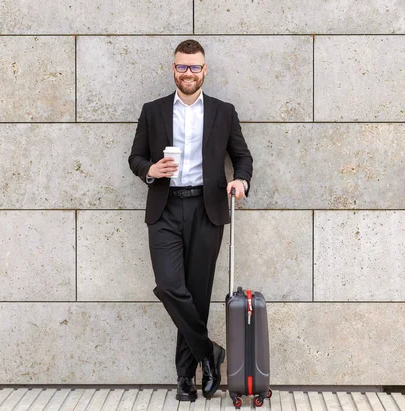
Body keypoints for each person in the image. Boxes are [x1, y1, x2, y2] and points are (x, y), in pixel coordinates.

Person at [128, 39, 253, 401]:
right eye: (182, 66)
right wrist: (150, 170)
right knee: (169, 287)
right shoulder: (152, 111)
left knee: (197, 297)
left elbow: (242, 157)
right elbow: (135, 157)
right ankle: (208, 353)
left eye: (194, 67)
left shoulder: (223, 112)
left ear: (205, 70)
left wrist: (240, 180)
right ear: (173, 68)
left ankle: (186, 378)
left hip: (206, 208)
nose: (188, 73)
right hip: (165, 208)